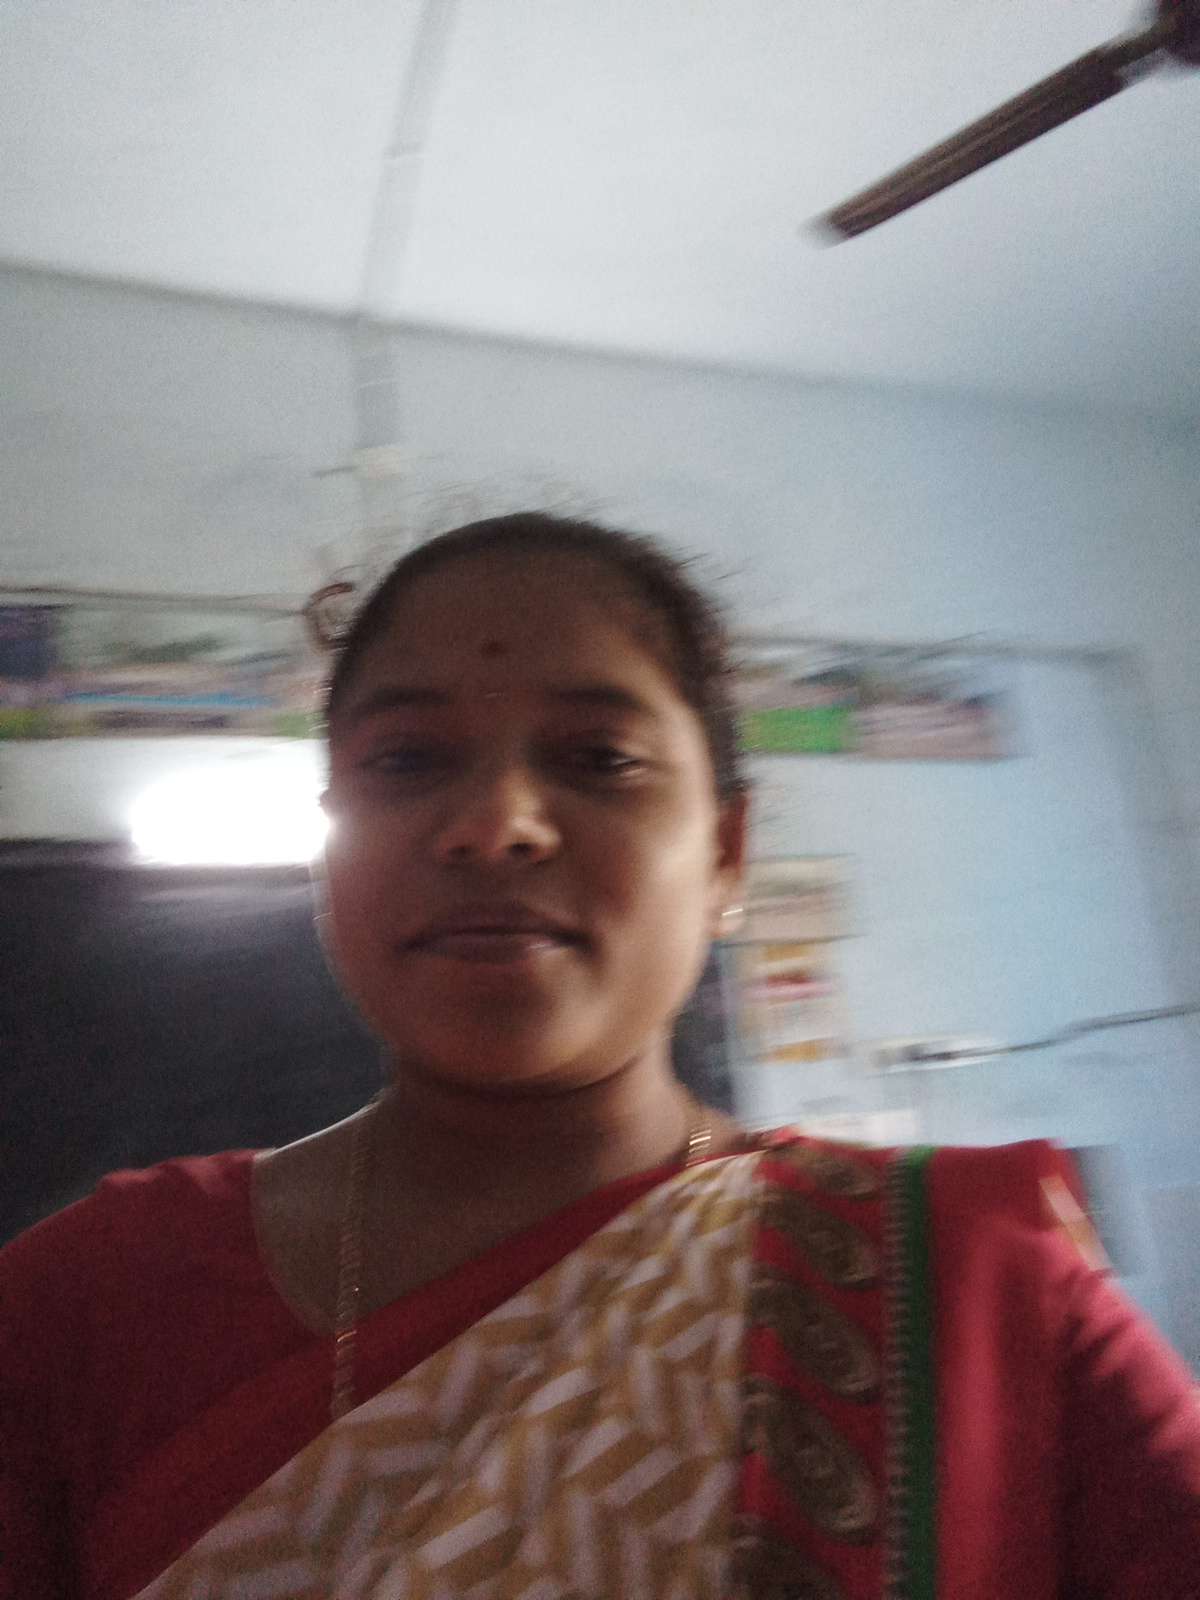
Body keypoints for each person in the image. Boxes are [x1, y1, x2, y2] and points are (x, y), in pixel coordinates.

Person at [1, 512, 1198, 1600]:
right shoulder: (92, 1301)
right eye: (406, 759)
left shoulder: (971, 1293)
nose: (494, 824)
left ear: (726, 855)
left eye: (599, 758)